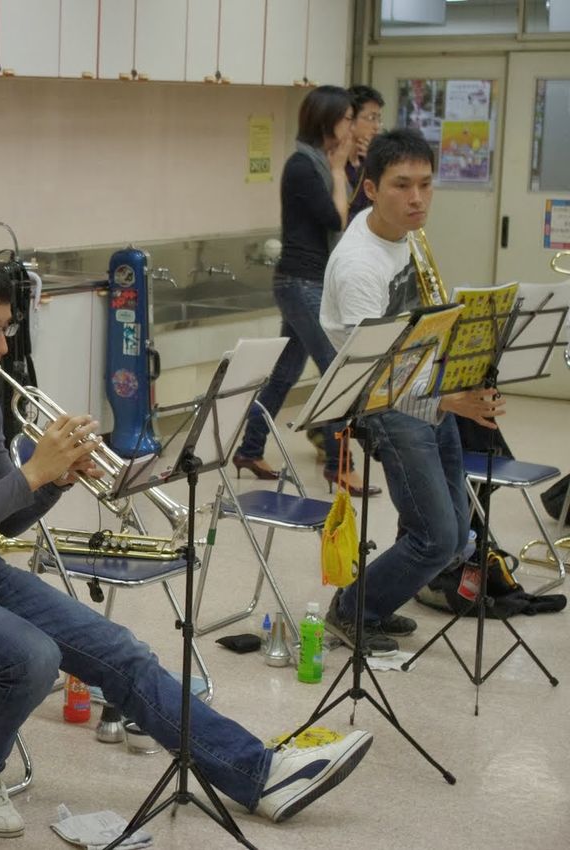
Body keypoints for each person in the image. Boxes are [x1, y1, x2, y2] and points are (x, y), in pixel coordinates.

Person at [0, 247, 373, 838]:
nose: (1, 347)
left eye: (7, 329)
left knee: (122, 651)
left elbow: (5, 525)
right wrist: (33, 472)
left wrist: (55, 481)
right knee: (31, 657)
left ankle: (260, 775)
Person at [319, 128, 506, 654]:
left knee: (455, 532)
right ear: (371, 189)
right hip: (386, 404)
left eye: (425, 184)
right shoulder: (359, 266)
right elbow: (377, 373)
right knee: (438, 538)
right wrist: (450, 400)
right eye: (402, 185)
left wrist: (463, 371)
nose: (417, 198)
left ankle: (374, 605)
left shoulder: (408, 235)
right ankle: (352, 610)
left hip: (427, 387)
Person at [232, 85, 380, 496]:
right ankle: (339, 464)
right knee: (336, 368)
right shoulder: (303, 165)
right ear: (327, 121)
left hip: (313, 281)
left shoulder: (326, 164)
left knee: (284, 374)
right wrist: (339, 170)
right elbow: (336, 219)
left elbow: (359, 213)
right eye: (348, 119)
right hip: (300, 282)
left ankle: (249, 450)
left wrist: (351, 167)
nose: (353, 126)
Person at [345, 85, 385, 220]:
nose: (377, 126)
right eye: (371, 118)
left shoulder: (369, 158)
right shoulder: (335, 162)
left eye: (379, 119)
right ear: (350, 119)